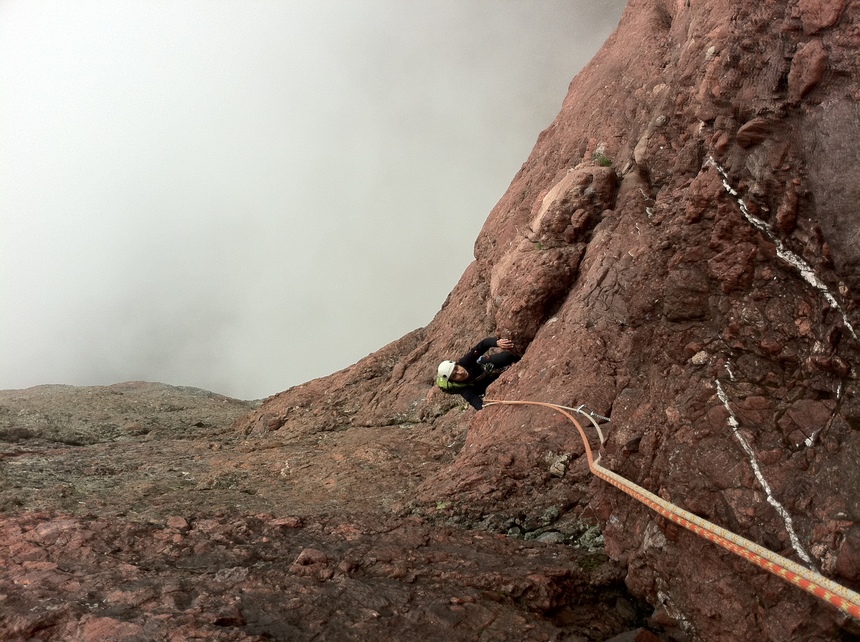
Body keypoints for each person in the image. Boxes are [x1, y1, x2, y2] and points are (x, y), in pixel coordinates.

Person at [435, 337, 520, 410]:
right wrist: (484, 406)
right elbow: (476, 403)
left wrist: (497, 342)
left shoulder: (465, 362)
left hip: (483, 366)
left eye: (457, 368)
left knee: (507, 357)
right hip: (485, 383)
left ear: (457, 364)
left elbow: (483, 345)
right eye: (455, 375)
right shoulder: (464, 389)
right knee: (496, 379)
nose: (460, 372)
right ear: (452, 381)